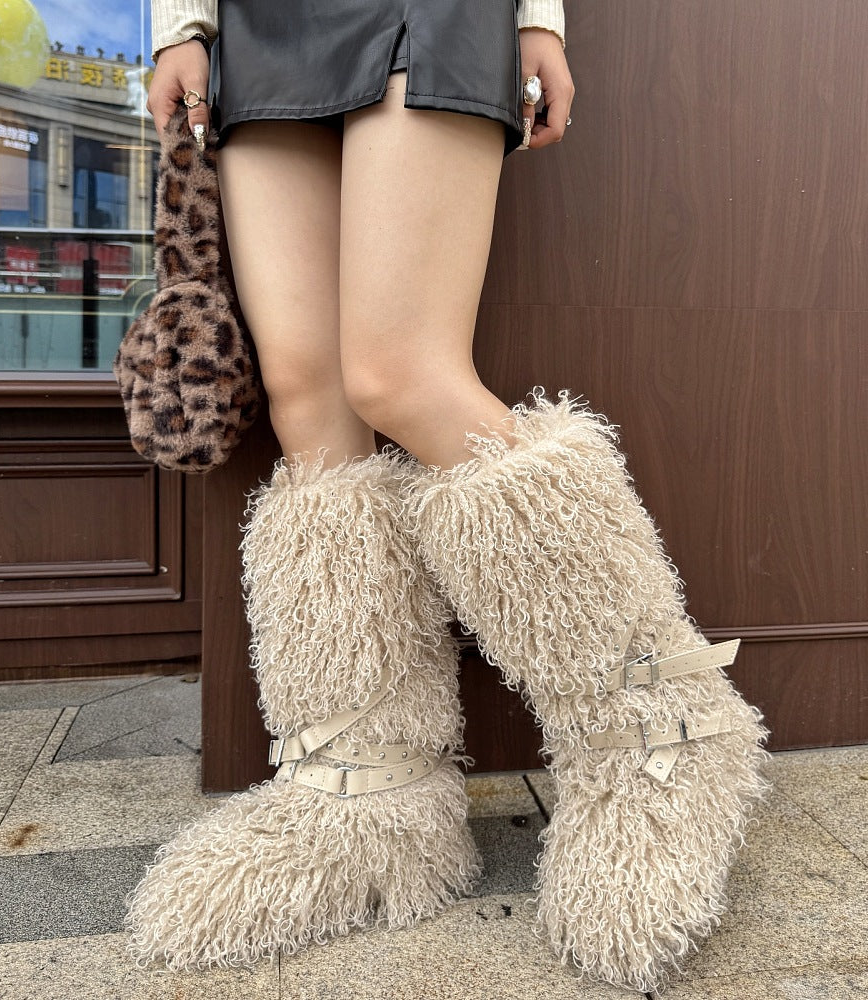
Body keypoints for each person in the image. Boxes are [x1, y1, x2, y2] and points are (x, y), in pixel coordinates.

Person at [126, 2, 767, 992]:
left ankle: (661, 725)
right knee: (308, 398)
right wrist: (182, 24)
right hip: (261, 24)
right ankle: (367, 793)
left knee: (399, 373)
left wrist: (539, 16)